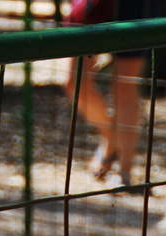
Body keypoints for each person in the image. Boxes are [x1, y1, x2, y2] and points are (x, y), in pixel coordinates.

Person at [63, 0, 157, 189]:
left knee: (125, 87)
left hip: (137, 7)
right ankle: (111, 139)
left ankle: (125, 172)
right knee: (74, 82)